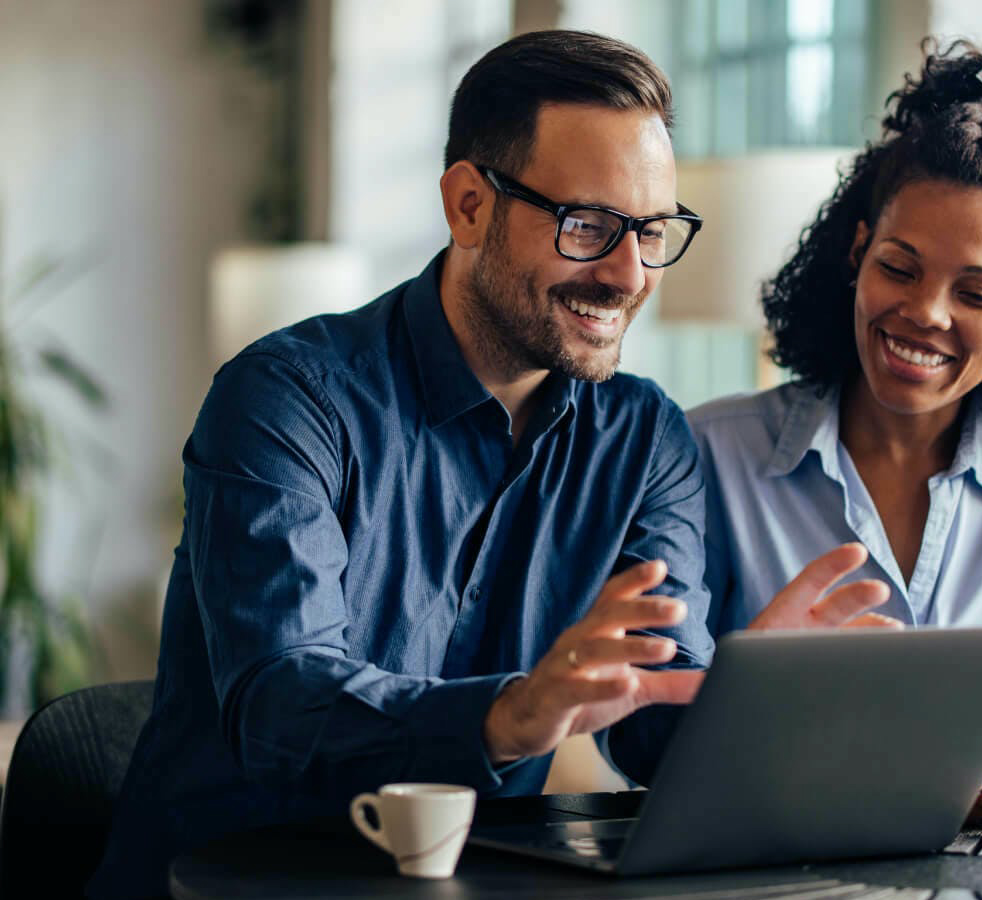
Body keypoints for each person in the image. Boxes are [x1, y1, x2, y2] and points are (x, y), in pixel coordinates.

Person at [89, 30, 889, 899]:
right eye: (588, 226)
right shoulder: (286, 399)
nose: (629, 276)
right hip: (228, 885)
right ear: (469, 204)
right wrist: (509, 716)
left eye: (653, 232)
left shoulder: (646, 438)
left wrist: (741, 699)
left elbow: (643, 726)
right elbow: (281, 706)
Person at [690, 42, 982, 826]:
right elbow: (632, 727)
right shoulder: (712, 453)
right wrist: (739, 691)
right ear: (857, 253)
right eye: (901, 267)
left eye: (977, 292)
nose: (926, 313)